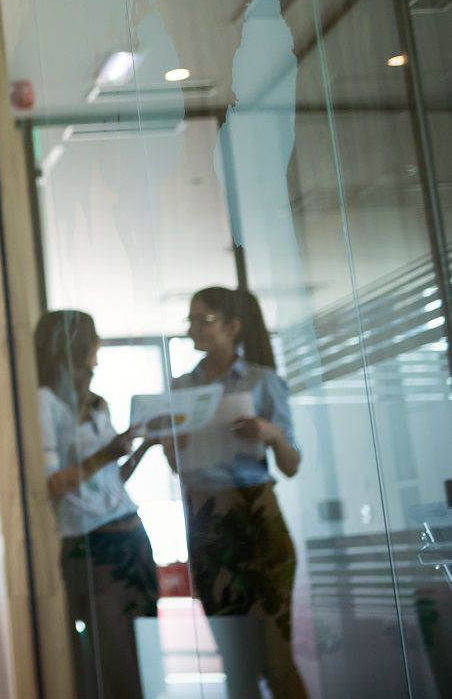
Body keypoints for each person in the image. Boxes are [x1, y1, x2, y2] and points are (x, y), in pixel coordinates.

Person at [169, 287, 306, 699]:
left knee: (276, 656)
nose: (193, 329)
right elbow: (179, 466)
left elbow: (292, 463)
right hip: (206, 518)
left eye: (203, 320)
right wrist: (168, 442)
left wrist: (268, 433)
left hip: (256, 515)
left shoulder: (263, 382)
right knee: (234, 662)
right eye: (190, 320)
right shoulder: (180, 387)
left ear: (232, 326)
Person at [34, 310, 158, 699]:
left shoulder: (97, 401)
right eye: (92, 339)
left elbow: (111, 481)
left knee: (145, 647)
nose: (97, 348)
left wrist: (144, 447)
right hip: (92, 546)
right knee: (111, 654)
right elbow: (51, 485)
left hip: (131, 533)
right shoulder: (46, 403)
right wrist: (107, 453)